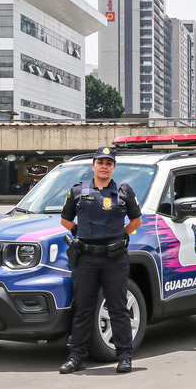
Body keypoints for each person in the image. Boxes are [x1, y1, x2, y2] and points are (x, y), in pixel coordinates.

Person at [58, 146, 142, 374]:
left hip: (114, 258)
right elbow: (65, 220)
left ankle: (124, 357)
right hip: (86, 258)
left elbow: (136, 221)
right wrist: (81, 233)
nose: (104, 166)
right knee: (83, 308)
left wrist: (121, 233)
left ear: (114, 167)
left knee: (118, 307)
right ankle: (76, 357)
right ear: (93, 166)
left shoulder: (124, 192)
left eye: (109, 163)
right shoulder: (77, 191)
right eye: (100, 162)